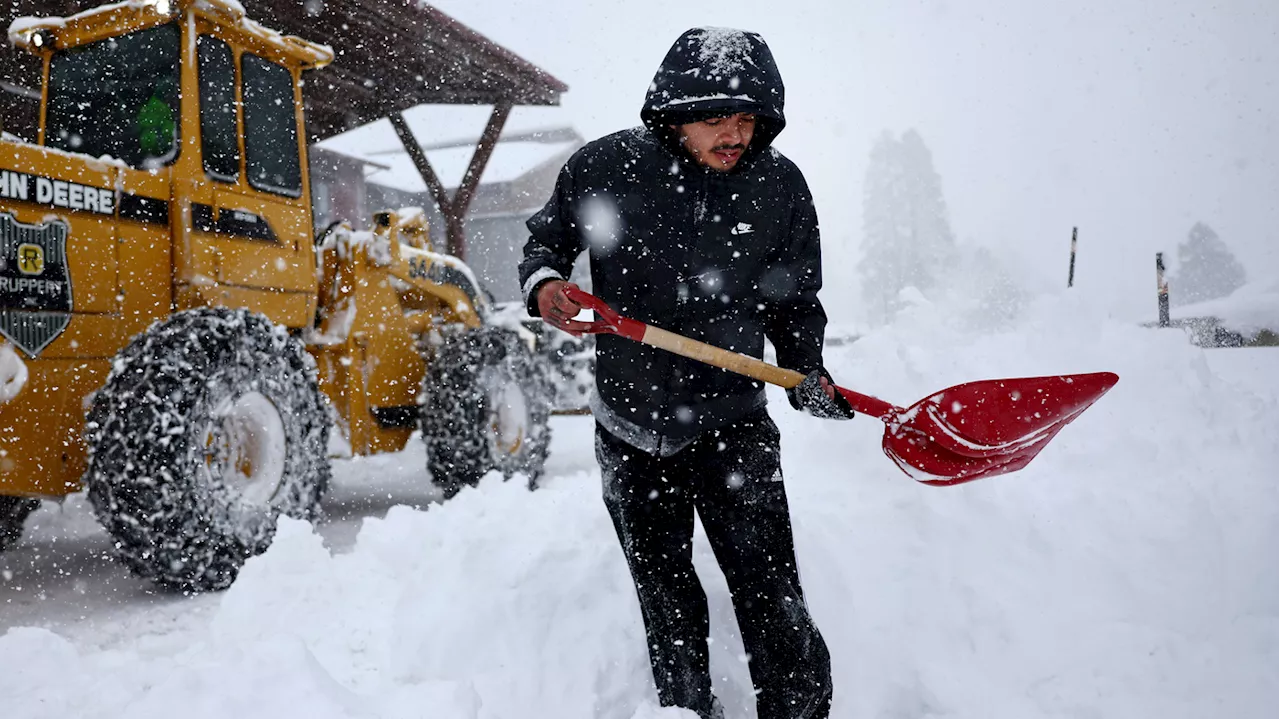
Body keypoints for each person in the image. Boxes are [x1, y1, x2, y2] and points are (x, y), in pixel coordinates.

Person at [518, 27, 853, 719]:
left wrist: (805, 367)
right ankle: (686, 711)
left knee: (773, 594)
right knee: (666, 600)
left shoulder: (780, 186)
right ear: (673, 114)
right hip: (630, 427)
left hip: (732, 423)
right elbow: (545, 243)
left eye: (746, 119)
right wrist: (547, 284)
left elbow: (794, 297)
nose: (733, 135)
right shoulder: (602, 168)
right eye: (714, 120)